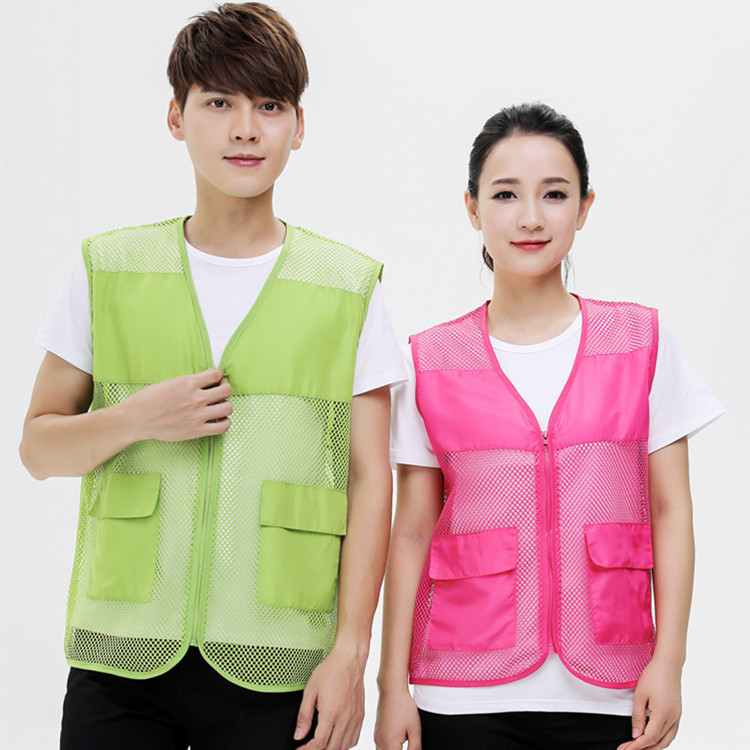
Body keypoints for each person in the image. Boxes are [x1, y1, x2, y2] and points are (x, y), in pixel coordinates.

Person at [19, 3, 405, 748]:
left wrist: (351, 652)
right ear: (176, 116)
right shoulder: (110, 269)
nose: (245, 129)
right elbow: (38, 449)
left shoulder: (348, 286)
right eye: (220, 103)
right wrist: (136, 418)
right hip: (122, 656)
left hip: (281, 661)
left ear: (299, 126)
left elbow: (369, 478)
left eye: (270, 106)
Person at [375, 103, 724, 750]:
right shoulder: (429, 360)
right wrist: (391, 685)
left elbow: (671, 509)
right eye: (505, 194)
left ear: (585, 207)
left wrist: (670, 661)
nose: (531, 217)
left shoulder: (640, 342)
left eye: (555, 194)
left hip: (612, 687)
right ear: (473, 208)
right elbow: (412, 530)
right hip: (463, 691)